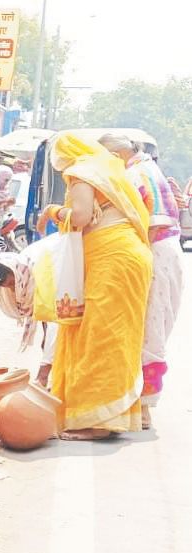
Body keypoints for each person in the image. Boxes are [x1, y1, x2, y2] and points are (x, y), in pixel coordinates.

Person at [37, 133, 152, 440]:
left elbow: (82, 217)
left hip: (113, 260)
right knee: (115, 336)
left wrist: (53, 211)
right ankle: (113, 413)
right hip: (126, 258)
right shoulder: (107, 169)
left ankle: (97, 423)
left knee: (99, 337)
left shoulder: (82, 172)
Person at [97, 133, 184, 429]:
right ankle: (136, 403)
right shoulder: (146, 168)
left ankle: (142, 408)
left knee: (148, 329)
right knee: (151, 327)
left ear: (117, 154)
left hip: (154, 254)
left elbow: (151, 224)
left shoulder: (136, 174)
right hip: (164, 252)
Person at [0, 250, 57, 388]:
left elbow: (55, 331)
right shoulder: (22, 266)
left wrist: (42, 374)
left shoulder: (42, 278)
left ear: (19, 276)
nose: (13, 291)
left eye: (13, 283)